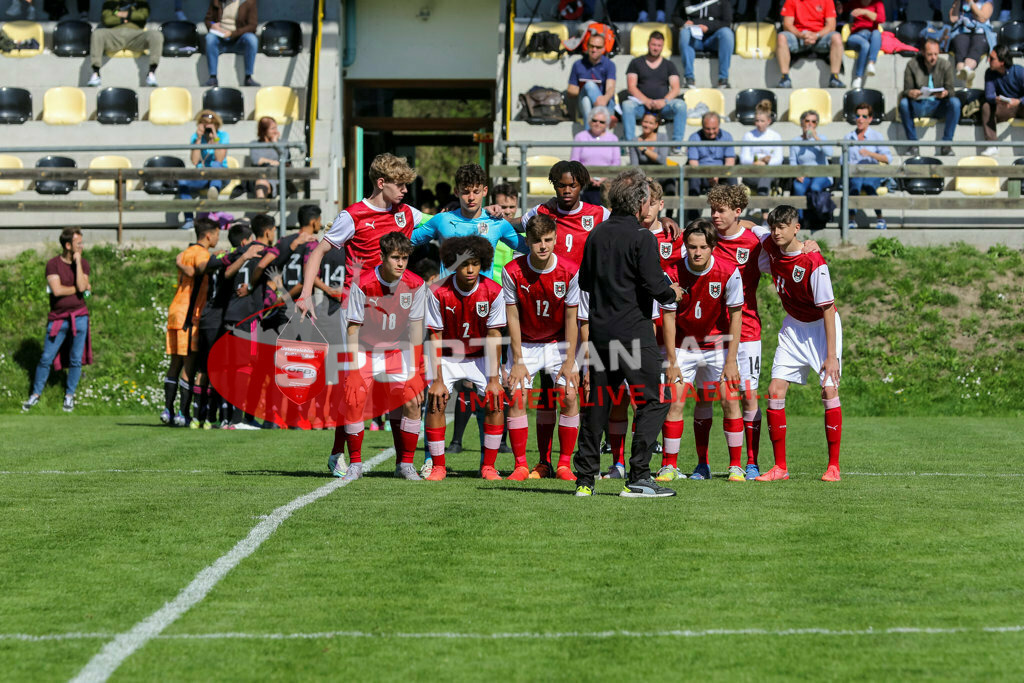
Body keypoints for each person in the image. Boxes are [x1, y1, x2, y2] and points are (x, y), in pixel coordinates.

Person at [298, 153, 422, 473]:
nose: (405, 190)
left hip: (394, 309)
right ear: (381, 183)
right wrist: (306, 293)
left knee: (397, 388)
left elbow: (440, 221)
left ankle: (403, 463)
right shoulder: (353, 216)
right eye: (400, 184)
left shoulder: (406, 213)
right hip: (357, 310)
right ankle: (340, 453)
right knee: (354, 387)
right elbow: (319, 251)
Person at [574, 168, 683, 498]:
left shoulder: (596, 234)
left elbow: (585, 282)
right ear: (640, 203)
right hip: (633, 333)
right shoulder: (642, 237)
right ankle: (638, 476)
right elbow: (655, 286)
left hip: (601, 333)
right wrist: (673, 293)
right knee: (654, 401)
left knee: (597, 405)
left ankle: (585, 481)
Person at [754, 205, 843, 483]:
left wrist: (831, 356)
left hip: (821, 327)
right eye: (773, 227)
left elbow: (827, 309)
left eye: (782, 227)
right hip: (793, 326)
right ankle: (780, 467)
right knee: (774, 390)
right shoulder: (770, 245)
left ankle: (833, 467)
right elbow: (744, 224)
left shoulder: (813, 261)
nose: (776, 232)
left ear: (796, 228)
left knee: (829, 390)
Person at [656, 219, 744, 483]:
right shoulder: (671, 273)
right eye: (692, 247)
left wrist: (731, 360)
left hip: (717, 345)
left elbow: (736, 317)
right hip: (683, 346)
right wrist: (672, 361)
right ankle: (669, 466)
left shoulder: (729, 271)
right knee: (675, 401)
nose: (697, 252)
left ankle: (735, 466)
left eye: (703, 247)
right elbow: (668, 318)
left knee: (729, 400)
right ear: (685, 246)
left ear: (712, 247)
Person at [341, 232, 427, 482]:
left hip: (397, 350)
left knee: (412, 401)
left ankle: (405, 465)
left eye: (405, 258)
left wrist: (415, 372)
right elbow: (353, 328)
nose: (401, 263)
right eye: (395, 258)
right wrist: (354, 371)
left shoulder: (416, 284)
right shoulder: (363, 283)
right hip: (365, 349)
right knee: (354, 399)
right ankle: (355, 464)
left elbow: (416, 328)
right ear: (382, 257)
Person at [502, 214, 581, 482]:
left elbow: (572, 318)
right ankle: (521, 466)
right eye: (537, 241)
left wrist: (569, 360)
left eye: (548, 240)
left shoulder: (570, 270)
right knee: (516, 396)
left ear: (556, 239)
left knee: (569, 395)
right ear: (528, 241)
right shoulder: (512, 270)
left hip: (559, 343)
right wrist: (517, 360)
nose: (543, 246)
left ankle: (564, 465)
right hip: (525, 343)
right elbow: (512, 317)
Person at [423, 236, 507, 481]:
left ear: (483, 263)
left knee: (495, 399)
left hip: (480, 357)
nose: (470, 269)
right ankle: (438, 466)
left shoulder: (494, 292)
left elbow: (494, 336)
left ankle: (488, 466)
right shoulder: (438, 291)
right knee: (436, 400)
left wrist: (494, 379)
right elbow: (434, 336)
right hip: (447, 357)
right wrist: (437, 379)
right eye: (464, 264)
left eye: (475, 263)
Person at [192, 222, 263, 429]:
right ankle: (234, 419)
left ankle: (211, 417)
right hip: (235, 316)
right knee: (239, 368)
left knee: (219, 368)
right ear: (245, 241)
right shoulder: (251, 254)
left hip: (219, 317)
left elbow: (212, 266)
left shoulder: (223, 256)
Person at [412, 164, 526, 280]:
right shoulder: (442, 220)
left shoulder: (497, 223)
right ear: (456, 191)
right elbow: (406, 242)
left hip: (484, 291)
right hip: (448, 291)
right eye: (466, 192)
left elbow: (531, 248)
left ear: (485, 191)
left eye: (476, 192)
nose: (471, 197)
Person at [22, 228, 91, 414]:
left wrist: (78, 262)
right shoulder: (52, 264)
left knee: (76, 359)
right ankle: (35, 394)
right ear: (68, 245)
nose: (82, 246)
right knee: (46, 358)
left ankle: (69, 396)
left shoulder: (83, 263)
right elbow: (58, 290)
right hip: (58, 319)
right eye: (78, 243)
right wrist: (79, 288)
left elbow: (83, 286)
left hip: (80, 317)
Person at [160, 218, 219, 428]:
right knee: (189, 364)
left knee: (174, 363)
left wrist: (179, 263)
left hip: (176, 310)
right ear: (209, 235)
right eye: (217, 234)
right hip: (189, 314)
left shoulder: (185, 253)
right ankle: (182, 413)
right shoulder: (202, 254)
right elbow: (200, 269)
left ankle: (168, 410)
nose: (218, 238)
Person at [519, 160, 611, 265]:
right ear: (554, 186)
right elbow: (511, 226)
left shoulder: (600, 213)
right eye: (562, 186)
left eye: (573, 186)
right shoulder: (542, 211)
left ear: (581, 186)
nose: (567, 190)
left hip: (586, 275)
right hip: (552, 275)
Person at [622, 31, 688, 149]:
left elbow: (676, 88)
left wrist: (664, 101)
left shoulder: (669, 65)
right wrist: (646, 101)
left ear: (662, 47)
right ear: (648, 44)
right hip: (642, 106)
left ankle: (676, 146)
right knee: (627, 105)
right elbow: (631, 87)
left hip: (663, 107)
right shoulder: (636, 62)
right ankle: (631, 146)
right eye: (653, 44)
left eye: (659, 45)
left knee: (681, 105)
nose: (656, 48)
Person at [898, 39, 959, 158]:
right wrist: (911, 92)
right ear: (923, 52)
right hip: (919, 104)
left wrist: (945, 93)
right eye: (930, 54)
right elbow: (906, 90)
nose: (933, 58)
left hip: (938, 105)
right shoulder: (912, 64)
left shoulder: (945, 65)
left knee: (955, 103)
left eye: (936, 54)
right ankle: (913, 145)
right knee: (904, 104)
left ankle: (946, 144)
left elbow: (951, 91)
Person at [88, 1, 163, 87]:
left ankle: (151, 73)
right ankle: (96, 73)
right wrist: (128, 17)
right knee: (97, 34)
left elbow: (142, 16)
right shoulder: (110, 3)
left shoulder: (140, 2)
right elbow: (108, 20)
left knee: (156, 35)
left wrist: (119, 14)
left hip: (136, 35)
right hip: (114, 35)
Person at [177, 109, 229, 233]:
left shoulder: (223, 136)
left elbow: (219, 159)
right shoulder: (196, 137)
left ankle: (213, 191)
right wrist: (199, 139)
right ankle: (189, 219)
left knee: (215, 165)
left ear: (216, 124)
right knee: (182, 181)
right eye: (205, 124)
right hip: (203, 175)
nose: (208, 127)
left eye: (211, 124)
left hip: (220, 174)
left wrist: (215, 138)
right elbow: (195, 161)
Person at [776, 0, 845, 89]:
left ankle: (834, 78)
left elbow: (831, 25)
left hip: (820, 37)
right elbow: (787, 24)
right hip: (798, 37)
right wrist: (800, 35)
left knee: (837, 37)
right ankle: (785, 78)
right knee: (781, 37)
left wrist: (817, 35)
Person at [844, 102, 891, 229]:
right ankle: (851, 219)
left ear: (870, 119)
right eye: (858, 116)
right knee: (856, 184)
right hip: (855, 173)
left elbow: (887, 158)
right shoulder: (848, 137)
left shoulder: (876, 136)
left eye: (864, 116)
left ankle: (880, 218)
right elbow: (844, 161)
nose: (860, 119)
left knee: (868, 184)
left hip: (871, 172)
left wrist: (870, 154)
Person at [672, 0, 734, 88]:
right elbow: (675, 17)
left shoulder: (722, 1)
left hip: (713, 40)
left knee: (727, 33)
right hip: (695, 40)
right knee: (684, 32)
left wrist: (708, 27)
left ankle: (723, 79)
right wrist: (683, 23)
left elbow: (727, 22)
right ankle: (689, 79)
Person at [686, 112, 736, 220]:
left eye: (714, 128)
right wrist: (707, 175)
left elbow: (730, 162)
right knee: (693, 177)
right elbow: (693, 163)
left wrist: (719, 175)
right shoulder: (694, 138)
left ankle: (733, 216)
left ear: (719, 125)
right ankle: (693, 219)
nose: (711, 132)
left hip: (721, 175)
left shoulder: (727, 136)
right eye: (708, 129)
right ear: (702, 126)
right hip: (701, 174)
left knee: (732, 177)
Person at [790, 109, 834, 225]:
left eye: (813, 122)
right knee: (798, 187)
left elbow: (830, 152)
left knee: (815, 187)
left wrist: (816, 138)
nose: (810, 124)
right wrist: (797, 174)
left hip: (822, 175)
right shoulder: (796, 141)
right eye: (807, 121)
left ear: (816, 124)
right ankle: (800, 220)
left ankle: (816, 219)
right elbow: (793, 161)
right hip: (804, 175)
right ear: (802, 123)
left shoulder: (822, 138)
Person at [570, 106, 620, 205]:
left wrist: (604, 178)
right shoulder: (580, 137)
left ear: (607, 124)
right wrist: (587, 177)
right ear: (589, 121)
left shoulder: (613, 139)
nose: (597, 123)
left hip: (607, 184)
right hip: (584, 183)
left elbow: (616, 163)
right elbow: (574, 161)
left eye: (602, 122)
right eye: (594, 120)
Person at [980, 44, 1024, 157]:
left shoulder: (1019, 71)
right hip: (1005, 107)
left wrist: (1019, 101)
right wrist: (997, 100)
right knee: (986, 106)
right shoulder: (989, 73)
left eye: (992, 58)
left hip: (1021, 106)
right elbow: (989, 95)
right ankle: (992, 145)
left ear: (1002, 62)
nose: (988, 60)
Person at [204, 0, 259, 87]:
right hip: (220, 39)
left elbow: (252, 26)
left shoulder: (248, 2)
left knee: (252, 39)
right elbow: (208, 20)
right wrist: (212, 25)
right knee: (210, 38)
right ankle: (212, 77)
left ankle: (248, 77)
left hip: (239, 38)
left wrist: (232, 33)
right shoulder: (217, 1)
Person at [567, 32, 616, 125]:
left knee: (587, 94)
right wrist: (586, 89)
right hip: (587, 103)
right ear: (587, 46)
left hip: (606, 103)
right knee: (588, 90)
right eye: (591, 46)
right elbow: (570, 91)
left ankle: (589, 133)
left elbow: (610, 88)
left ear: (603, 48)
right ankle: (604, 116)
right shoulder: (578, 64)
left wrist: (603, 101)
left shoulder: (609, 65)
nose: (594, 49)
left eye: (598, 47)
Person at [740, 99, 784, 200]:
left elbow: (778, 159)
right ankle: (763, 207)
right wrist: (758, 161)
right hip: (752, 172)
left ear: (769, 121)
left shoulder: (775, 136)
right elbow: (744, 159)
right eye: (757, 121)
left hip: (769, 172)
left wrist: (766, 162)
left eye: (762, 121)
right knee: (764, 178)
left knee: (766, 176)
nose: (759, 124)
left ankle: (761, 206)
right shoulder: (748, 135)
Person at [949, 0, 995, 87]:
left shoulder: (987, 2)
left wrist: (970, 2)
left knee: (976, 48)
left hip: (980, 33)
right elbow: (953, 19)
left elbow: (982, 18)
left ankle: (966, 71)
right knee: (959, 49)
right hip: (962, 32)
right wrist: (957, 2)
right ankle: (964, 73)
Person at [843, 0, 884, 90]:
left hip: (871, 35)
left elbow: (881, 19)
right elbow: (842, 10)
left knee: (876, 33)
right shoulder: (854, 2)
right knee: (865, 45)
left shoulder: (878, 3)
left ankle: (871, 63)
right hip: (856, 35)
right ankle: (858, 77)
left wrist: (865, 12)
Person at [250, 117, 286, 199]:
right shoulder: (254, 144)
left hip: (276, 176)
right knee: (261, 181)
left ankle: (261, 206)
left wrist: (275, 143)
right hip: (259, 175)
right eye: (272, 128)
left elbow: (285, 158)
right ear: (264, 131)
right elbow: (256, 160)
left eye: (276, 128)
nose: (276, 131)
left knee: (262, 182)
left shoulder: (282, 143)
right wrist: (273, 162)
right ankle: (262, 206)